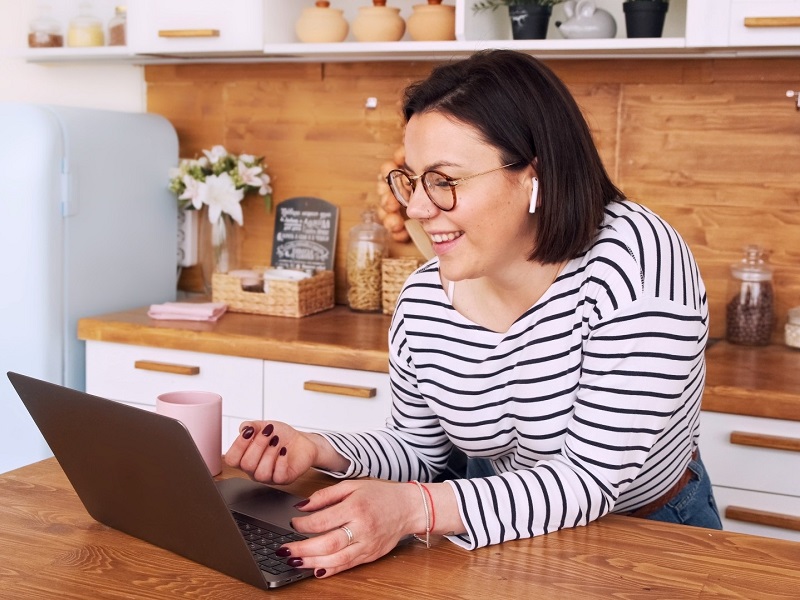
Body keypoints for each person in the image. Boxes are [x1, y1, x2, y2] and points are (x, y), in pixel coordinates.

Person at [224, 49, 721, 579]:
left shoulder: (637, 265)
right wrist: (319, 448)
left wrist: (417, 507)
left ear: (535, 174)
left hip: (649, 535)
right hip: (498, 535)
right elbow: (421, 451)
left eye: (445, 180)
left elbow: (588, 481)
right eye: (413, 179)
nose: (417, 207)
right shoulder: (425, 298)